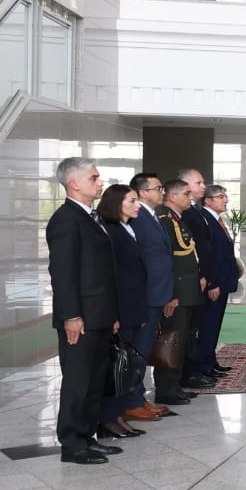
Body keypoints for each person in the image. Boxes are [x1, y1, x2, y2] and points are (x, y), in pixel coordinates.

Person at [46, 158, 121, 465]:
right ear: (74, 183)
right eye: (93, 177)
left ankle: (87, 436)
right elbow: (62, 274)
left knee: (93, 381)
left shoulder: (90, 217)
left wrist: (112, 314)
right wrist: (71, 316)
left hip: (100, 315)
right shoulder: (66, 220)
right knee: (78, 382)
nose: (99, 181)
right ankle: (72, 444)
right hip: (81, 319)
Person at [97, 184, 151, 441]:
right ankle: (108, 419)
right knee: (117, 366)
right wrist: (115, 314)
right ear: (116, 204)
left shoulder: (126, 228)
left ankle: (118, 415)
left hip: (134, 307)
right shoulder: (110, 230)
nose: (137, 205)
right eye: (132, 201)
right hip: (121, 309)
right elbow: (111, 276)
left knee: (127, 365)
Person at [128, 172, 185, 415]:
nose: (162, 191)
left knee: (145, 347)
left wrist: (168, 293)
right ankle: (133, 402)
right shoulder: (137, 217)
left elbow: (163, 258)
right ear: (143, 192)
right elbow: (143, 261)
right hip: (147, 296)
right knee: (139, 350)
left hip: (158, 294)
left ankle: (138, 399)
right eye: (158, 188)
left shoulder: (153, 216)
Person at [159, 179, 206, 405]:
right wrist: (170, 294)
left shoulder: (179, 219)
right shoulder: (165, 220)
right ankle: (167, 388)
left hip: (187, 290)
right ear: (173, 196)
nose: (191, 196)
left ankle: (175, 384)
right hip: (177, 291)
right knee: (173, 339)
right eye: (186, 193)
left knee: (183, 337)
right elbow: (166, 260)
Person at [175, 168, 216, 390]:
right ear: (184, 185)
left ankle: (194, 370)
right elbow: (189, 250)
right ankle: (187, 373)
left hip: (200, 279)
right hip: (191, 282)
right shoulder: (183, 214)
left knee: (194, 329)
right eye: (198, 183)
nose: (203, 186)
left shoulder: (196, 210)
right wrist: (201, 275)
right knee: (188, 331)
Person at [194, 184, 239, 379]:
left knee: (215, 323)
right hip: (215, 284)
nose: (226, 200)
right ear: (208, 200)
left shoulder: (216, 219)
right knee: (208, 324)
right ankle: (204, 365)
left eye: (225, 196)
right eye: (221, 196)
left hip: (223, 282)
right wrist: (213, 283)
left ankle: (211, 362)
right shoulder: (204, 219)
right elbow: (208, 255)